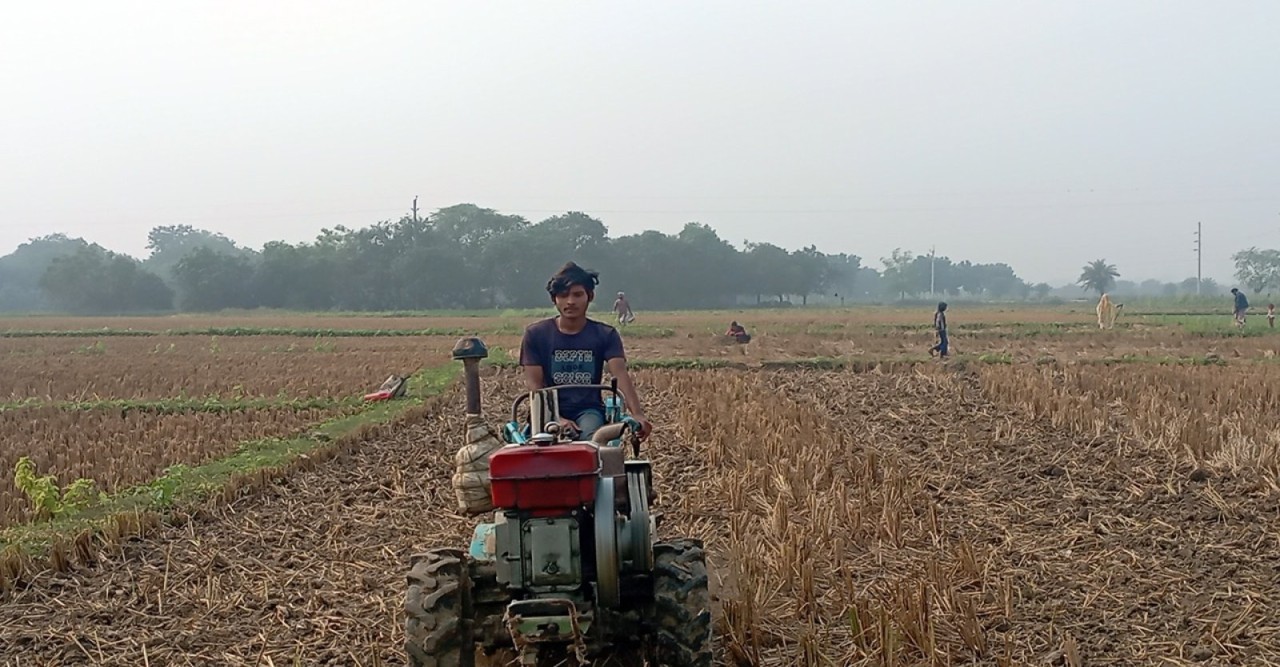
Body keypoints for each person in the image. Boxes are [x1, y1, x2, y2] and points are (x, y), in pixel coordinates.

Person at [520, 263, 651, 441]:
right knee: (538, 448)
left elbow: (620, 375)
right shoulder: (536, 334)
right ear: (554, 299)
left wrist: (638, 414)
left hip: (588, 410)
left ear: (590, 296)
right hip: (547, 410)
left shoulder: (605, 334)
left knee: (591, 443)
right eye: (563, 295)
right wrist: (557, 419)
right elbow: (535, 386)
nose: (570, 301)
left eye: (577, 294)